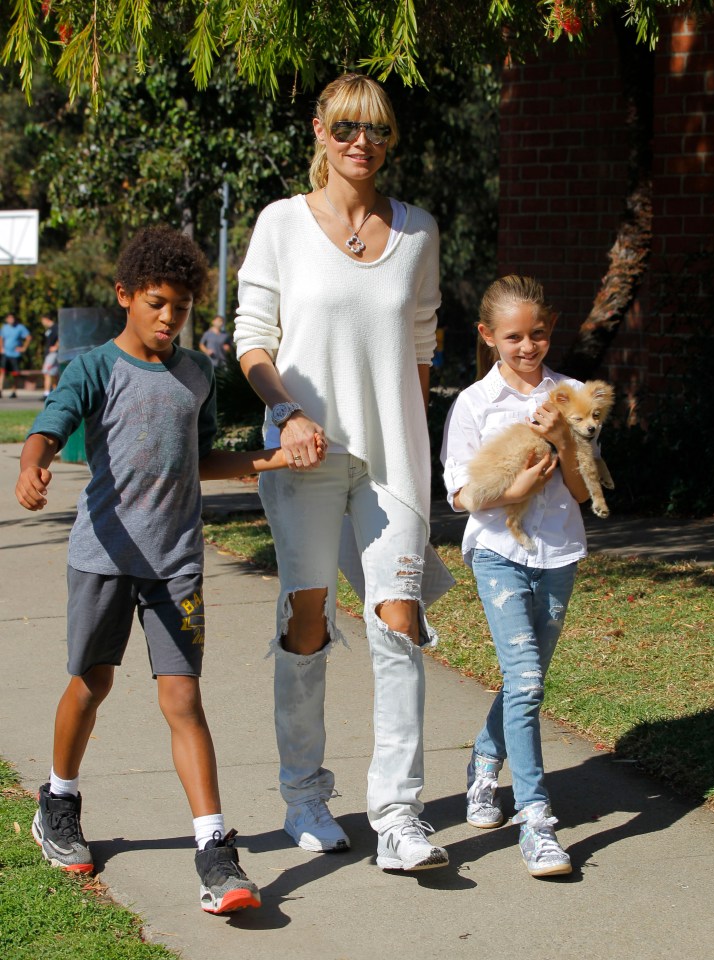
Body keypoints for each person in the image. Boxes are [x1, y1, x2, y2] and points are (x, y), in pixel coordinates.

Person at [14, 226, 309, 915]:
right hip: (105, 559)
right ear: (124, 296)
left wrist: (269, 460)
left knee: (182, 698)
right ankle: (57, 799)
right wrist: (33, 464)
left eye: (179, 306)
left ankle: (214, 849)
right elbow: (50, 424)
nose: (168, 318)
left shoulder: (196, 375)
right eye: (155, 303)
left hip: (175, 564)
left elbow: (198, 460)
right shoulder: (93, 368)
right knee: (92, 684)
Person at [234, 73, 450, 872]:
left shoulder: (419, 232)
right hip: (305, 454)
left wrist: (415, 439)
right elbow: (252, 339)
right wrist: (285, 411)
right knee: (308, 619)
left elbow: (421, 345)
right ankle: (305, 796)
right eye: (348, 127)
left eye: (380, 131)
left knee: (399, 625)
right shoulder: (281, 224)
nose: (364, 143)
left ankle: (397, 815)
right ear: (320, 130)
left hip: (392, 460)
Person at [442, 275, 600, 878]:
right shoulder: (475, 404)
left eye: (537, 334)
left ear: (550, 330)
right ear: (488, 337)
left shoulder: (574, 394)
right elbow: (459, 494)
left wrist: (561, 438)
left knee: (523, 680)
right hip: (496, 552)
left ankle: (484, 764)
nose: (528, 346)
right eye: (513, 336)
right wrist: (518, 488)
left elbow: (584, 492)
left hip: (559, 553)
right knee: (528, 681)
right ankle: (536, 820)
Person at [0, 312, 31, 398]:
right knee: (2, 372)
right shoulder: (4, 327)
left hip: (15, 355)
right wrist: (1, 348)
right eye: (9, 318)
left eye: (12, 318)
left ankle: (14, 391)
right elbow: (1, 338)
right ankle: (0, 390)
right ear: (6, 319)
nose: (11, 320)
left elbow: (28, 337)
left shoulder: (20, 327)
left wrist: (24, 348)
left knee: (15, 374)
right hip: (6, 353)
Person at [40, 314, 59, 396]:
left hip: (53, 354)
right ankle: (57, 393)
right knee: (53, 373)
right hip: (49, 354)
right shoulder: (49, 329)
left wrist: (56, 347)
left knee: (47, 372)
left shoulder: (56, 327)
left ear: (46, 319)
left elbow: (61, 337)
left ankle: (46, 393)